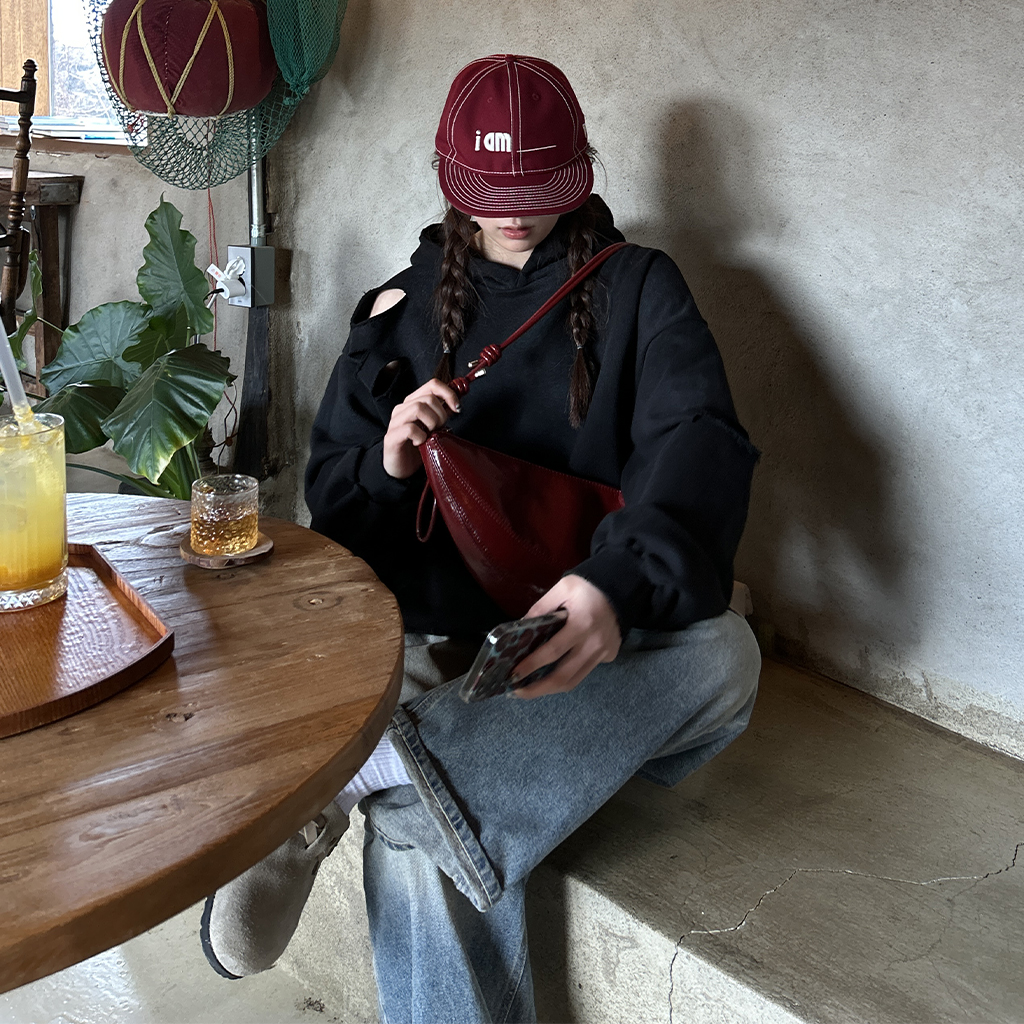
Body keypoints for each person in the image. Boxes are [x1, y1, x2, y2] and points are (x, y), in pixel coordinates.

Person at [202, 53, 762, 1023]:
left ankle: (354, 775)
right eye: (493, 194)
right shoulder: (396, 307)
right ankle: (410, 769)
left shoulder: (639, 289)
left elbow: (698, 442)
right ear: (449, 179)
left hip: (582, 644)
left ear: (578, 172)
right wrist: (388, 463)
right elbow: (337, 521)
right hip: (434, 647)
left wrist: (614, 584)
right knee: (422, 838)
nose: (516, 216)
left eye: (538, 191)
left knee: (724, 654)